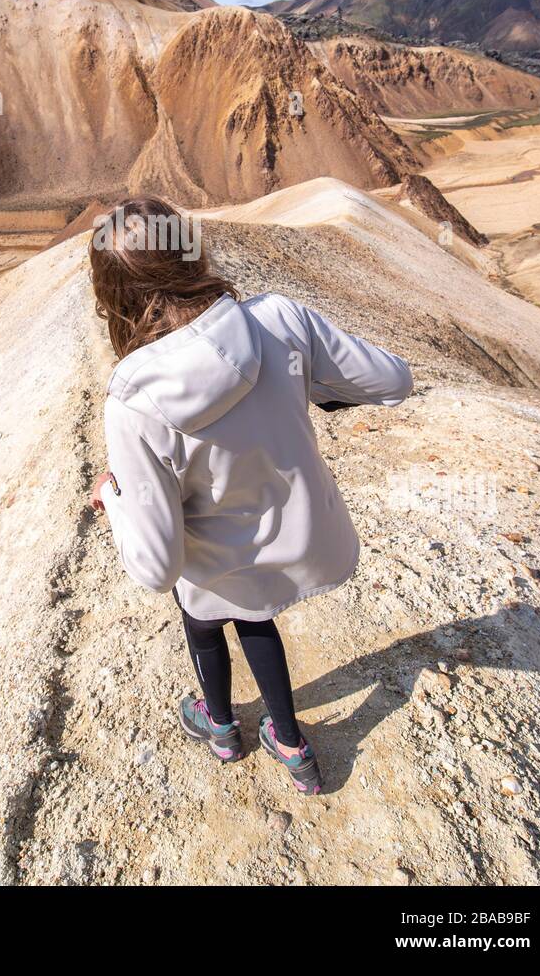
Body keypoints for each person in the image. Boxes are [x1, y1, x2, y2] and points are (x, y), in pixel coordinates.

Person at [88, 197, 413, 795]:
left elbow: (158, 567)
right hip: (301, 541)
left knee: (205, 616)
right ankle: (291, 745)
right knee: (256, 615)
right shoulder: (282, 319)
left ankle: (220, 727)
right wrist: (314, 384)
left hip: (214, 568)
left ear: (115, 296)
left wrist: (114, 502)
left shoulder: (132, 404)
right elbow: (393, 380)